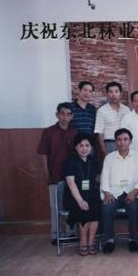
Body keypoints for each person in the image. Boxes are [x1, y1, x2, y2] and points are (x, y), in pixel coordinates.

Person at [37, 102, 77, 245]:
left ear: (72, 117)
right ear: (57, 115)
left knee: (72, 204)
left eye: (68, 114)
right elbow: (43, 154)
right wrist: (46, 173)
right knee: (55, 206)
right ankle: (56, 234)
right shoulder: (48, 132)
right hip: (54, 174)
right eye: (62, 113)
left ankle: (71, 232)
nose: (65, 117)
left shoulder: (75, 133)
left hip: (72, 177)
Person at [100, 128, 138, 253]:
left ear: (130, 141)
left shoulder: (137, 157)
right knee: (107, 209)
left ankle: (133, 239)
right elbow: (104, 177)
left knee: (133, 207)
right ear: (115, 142)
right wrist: (107, 192)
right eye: (119, 140)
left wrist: (135, 191)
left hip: (131, 192)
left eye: (125, 139)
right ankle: (109, 240)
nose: (122, 142)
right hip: (113, 193)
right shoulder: (109, 158)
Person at [62, 132, 101, 255]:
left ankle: (91, 242)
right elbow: (71, 183)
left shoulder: (93, 161)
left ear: (91, 147)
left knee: (96, 206)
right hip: (74, 196)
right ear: (76, 147)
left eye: (87, 145)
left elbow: (97, 179)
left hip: (91, 194)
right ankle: (83, 242)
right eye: (81, 145)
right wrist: (80, 200)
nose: (84, 149)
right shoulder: (69, 162)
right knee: (84, 208)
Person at [95, 81, 130, 156]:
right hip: (109, 144)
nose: (114, 94)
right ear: (107, 94)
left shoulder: (126, 110)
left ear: (120, 94)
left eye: (116, 91)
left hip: (124, 144)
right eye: (110, 92)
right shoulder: (101, 110)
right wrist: (104, 151)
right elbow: (99, 132)